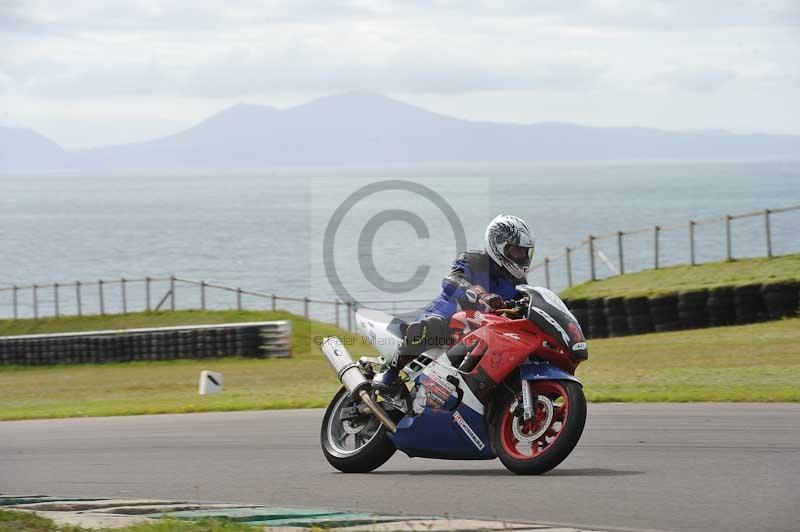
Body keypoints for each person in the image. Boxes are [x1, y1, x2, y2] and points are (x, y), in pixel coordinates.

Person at [374, 214, 536, 389]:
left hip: (481, 332)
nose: (522, 256)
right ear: (498, 245)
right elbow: (452, 280)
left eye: (525, 252)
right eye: (517, 251)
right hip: (447, 317)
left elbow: (527, 307)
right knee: (432, 326)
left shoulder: (518, 283)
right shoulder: (472, 260)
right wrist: (481, 295)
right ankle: (389, 372)